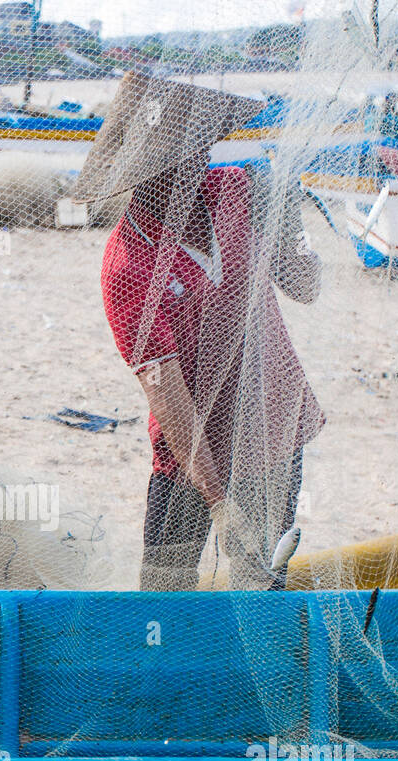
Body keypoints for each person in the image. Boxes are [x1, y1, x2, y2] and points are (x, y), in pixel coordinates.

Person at [70, 73, 325, 591]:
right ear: (140, 172)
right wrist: (219, 502)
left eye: (202, 148)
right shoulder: (128, 266)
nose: (196, 164)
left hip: (274, 427)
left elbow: (304, 285)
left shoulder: (237, 191)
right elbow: (172, 402)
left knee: (261, 583)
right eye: (177, 158)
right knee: (164, 596)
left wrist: (288, 216)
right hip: (190, 457)